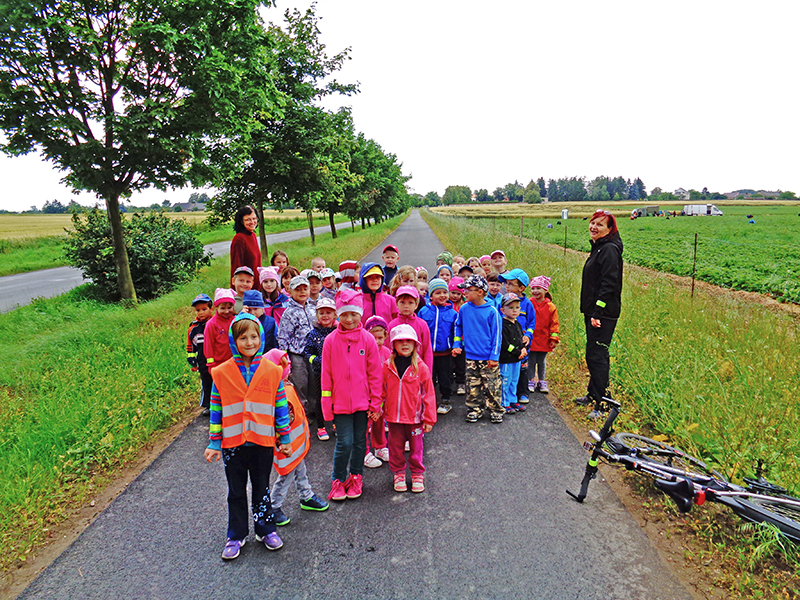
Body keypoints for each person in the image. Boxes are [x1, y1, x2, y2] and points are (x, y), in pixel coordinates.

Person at [203, 313, 291, 559]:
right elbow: (216, 409)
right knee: (236, 491)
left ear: (261, 338)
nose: (249, 342)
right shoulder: (221, 373)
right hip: (233, 444)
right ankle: (236, 534)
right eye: (243, 338)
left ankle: (266, 530)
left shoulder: (272, 371)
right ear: (234, 340)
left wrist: (284, 439)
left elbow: (281, 407)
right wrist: (214, 442)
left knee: (262, 488)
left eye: (254, 337)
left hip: (262, 442)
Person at [321, 288, 382, 501]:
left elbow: (375, 374)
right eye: (344, 314)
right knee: (344, 442)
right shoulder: (330, 341)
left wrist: (375, 403)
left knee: (359, 443)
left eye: (353, 314)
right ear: (338, 314)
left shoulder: (368, 340)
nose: (349, 319)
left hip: (363, 403)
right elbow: (326, 376)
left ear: (360, 314)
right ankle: (338, 479)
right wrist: (327, 407)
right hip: (339, 404)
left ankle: (356, 477)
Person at [264, 349, 329, 527]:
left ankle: (306, 495)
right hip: (287, 445)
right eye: (285, 367)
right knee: (286, 474)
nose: (289, 370)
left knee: (300, 469)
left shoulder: (286, 386)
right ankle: (274, 506)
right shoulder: (277, 392)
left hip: (295, 443)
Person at [576, 210, 623, 418]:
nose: (594, 227)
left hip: (602, 313)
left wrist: (597, 311)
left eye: (600, 224)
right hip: (594, 311)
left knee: (596, 356)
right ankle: (593, 394)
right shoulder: (600, 247)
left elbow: (609, 284)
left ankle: (603, 404)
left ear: (609, 229)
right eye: (593, 222)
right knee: (596, 354)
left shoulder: (609, 249)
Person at [381, 324, 436, 493]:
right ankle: (398, 473)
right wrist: (377, 409)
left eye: (408, 341)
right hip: (394, 418)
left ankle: (417, 473)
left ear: (415, 344)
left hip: (415, 419)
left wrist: (429, 418)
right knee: (395, 448)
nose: (404, 344)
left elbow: (429, 394)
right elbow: (380, 391)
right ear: (393, 344)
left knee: (416, 448)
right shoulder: (387, 366)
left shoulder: (421, 368)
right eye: (400, 341)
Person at [453, 275, 503, 423]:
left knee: (492, 386)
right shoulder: (464, 308)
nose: (464, 293)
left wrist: (494, 356)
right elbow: (458, 326)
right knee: (472, 385)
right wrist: (457, 344)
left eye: (468, 290)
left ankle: (495, 410)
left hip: (487, 357)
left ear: (480, 292)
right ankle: (474, 409)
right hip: (470, 356)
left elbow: (497, 336)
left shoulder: (492, 311)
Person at [418, 278, 457, 415]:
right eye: (438, 293)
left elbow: (456, 332)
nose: (442, 295)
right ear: (431, 295)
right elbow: (419, 330)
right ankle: (428, 401)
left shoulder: (452, 313)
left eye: (444, 292)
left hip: (445, 353)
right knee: (429, 378)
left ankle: (445, 400)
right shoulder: (424, 311)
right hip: (428, 354)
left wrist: (455, 345)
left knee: (445, 378)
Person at [499, 268, 536, 405]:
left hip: (522, 342)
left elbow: (532, 322)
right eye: (506, 283)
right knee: (508, 372)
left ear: (521, 288)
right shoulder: (503, 301)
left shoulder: (527, 304)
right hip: (508, 343)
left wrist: (528, 335)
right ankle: (506, 399)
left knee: (522, 368)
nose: (506, 286)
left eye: (510, 284)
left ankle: (522, 392)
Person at [303, 297, 338, 441]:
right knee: (320, 398)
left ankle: (336, 424)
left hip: (336, 373)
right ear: (317, 315)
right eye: (321, 313)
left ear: (335, 315)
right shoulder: (313, 334)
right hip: (319, 373)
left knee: (336, 398)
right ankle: (321, 427)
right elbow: (307, 352)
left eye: (328, 312)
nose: (325, 316)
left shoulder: (338, 332)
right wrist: (316, 360)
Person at [277, 275, 315, 405]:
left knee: (314, 382)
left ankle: (314, 410)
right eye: (298, 290)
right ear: (290, 291)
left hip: (313, 353)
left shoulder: (313, 308)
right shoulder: (289, 313)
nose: (302, 292)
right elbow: (283, 336)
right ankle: (301, 410)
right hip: (297, 355)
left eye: (305, 289)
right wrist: (284, 356)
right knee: (300, 384)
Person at [364, 316, 392, 468]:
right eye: (373, 338)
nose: (376, 341)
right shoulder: (363, 352)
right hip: (366, 396)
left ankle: (380, 446)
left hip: (381, 396)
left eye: (380, 338)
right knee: (364, 424)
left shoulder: (387, 352)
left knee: (380, 423)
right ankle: (364, 452)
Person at [388, 286, 433, 371]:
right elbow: (388, 348)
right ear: (396, 304)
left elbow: (427, 350)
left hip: (417, 368)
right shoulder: (392, 325)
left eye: (410, 303)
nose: (406, 306)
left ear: (416, 305)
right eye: (402, 302)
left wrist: (428, 372)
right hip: (397, 367)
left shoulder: (422, 324)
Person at [528, 275, 559, 394]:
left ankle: (541, 381)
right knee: (531, 360)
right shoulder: (529, 303)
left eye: (538, 288)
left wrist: (553, 338)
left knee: (541, 361)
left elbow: (554, 324)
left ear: (545, 290)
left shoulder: (551, 307)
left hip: (544, 339)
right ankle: (531, 380)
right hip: (531, 338)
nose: (535, 291)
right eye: (533, 288)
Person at [498, 293, 527, 414]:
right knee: (506, 380)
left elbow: (520, 339)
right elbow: (505, 344)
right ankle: (504, 403)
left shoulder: (517, 324)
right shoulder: (502, 325)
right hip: (506, 359)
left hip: (517, 359)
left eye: (517, 307)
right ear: (503, 310)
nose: (514, 310)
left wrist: (524, 349)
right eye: (510, 308)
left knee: (514, 380)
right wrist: (517, 352)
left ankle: (512, 400)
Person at [186, 293, 214, 416]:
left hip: (215, 358)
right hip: (202, 360)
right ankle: (208, 405)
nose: (201, 313)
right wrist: (192, 361)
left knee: (217, 381)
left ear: (211, 309)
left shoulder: (215, 323)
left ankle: (221, 403)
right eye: (198, 310)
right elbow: (191, 346)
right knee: (206, 383)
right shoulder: (193, 328)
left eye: (204, 309)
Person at [204, 288, 236, 373]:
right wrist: (211, 364)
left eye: (229, 307)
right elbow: (208, 345)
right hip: (219, 363)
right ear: (216, 308)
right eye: (222, 308)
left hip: (235, 361)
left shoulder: (235, 321)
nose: (226, 311)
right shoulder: (211, 324)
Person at [229, 205, 261, 290]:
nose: (252, 222)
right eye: (248, 219)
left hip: (256, 286)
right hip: (245, 288)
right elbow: (236, 266)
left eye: (254, 218)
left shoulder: (253, 235)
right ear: (241, 222)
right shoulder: (239, 238)